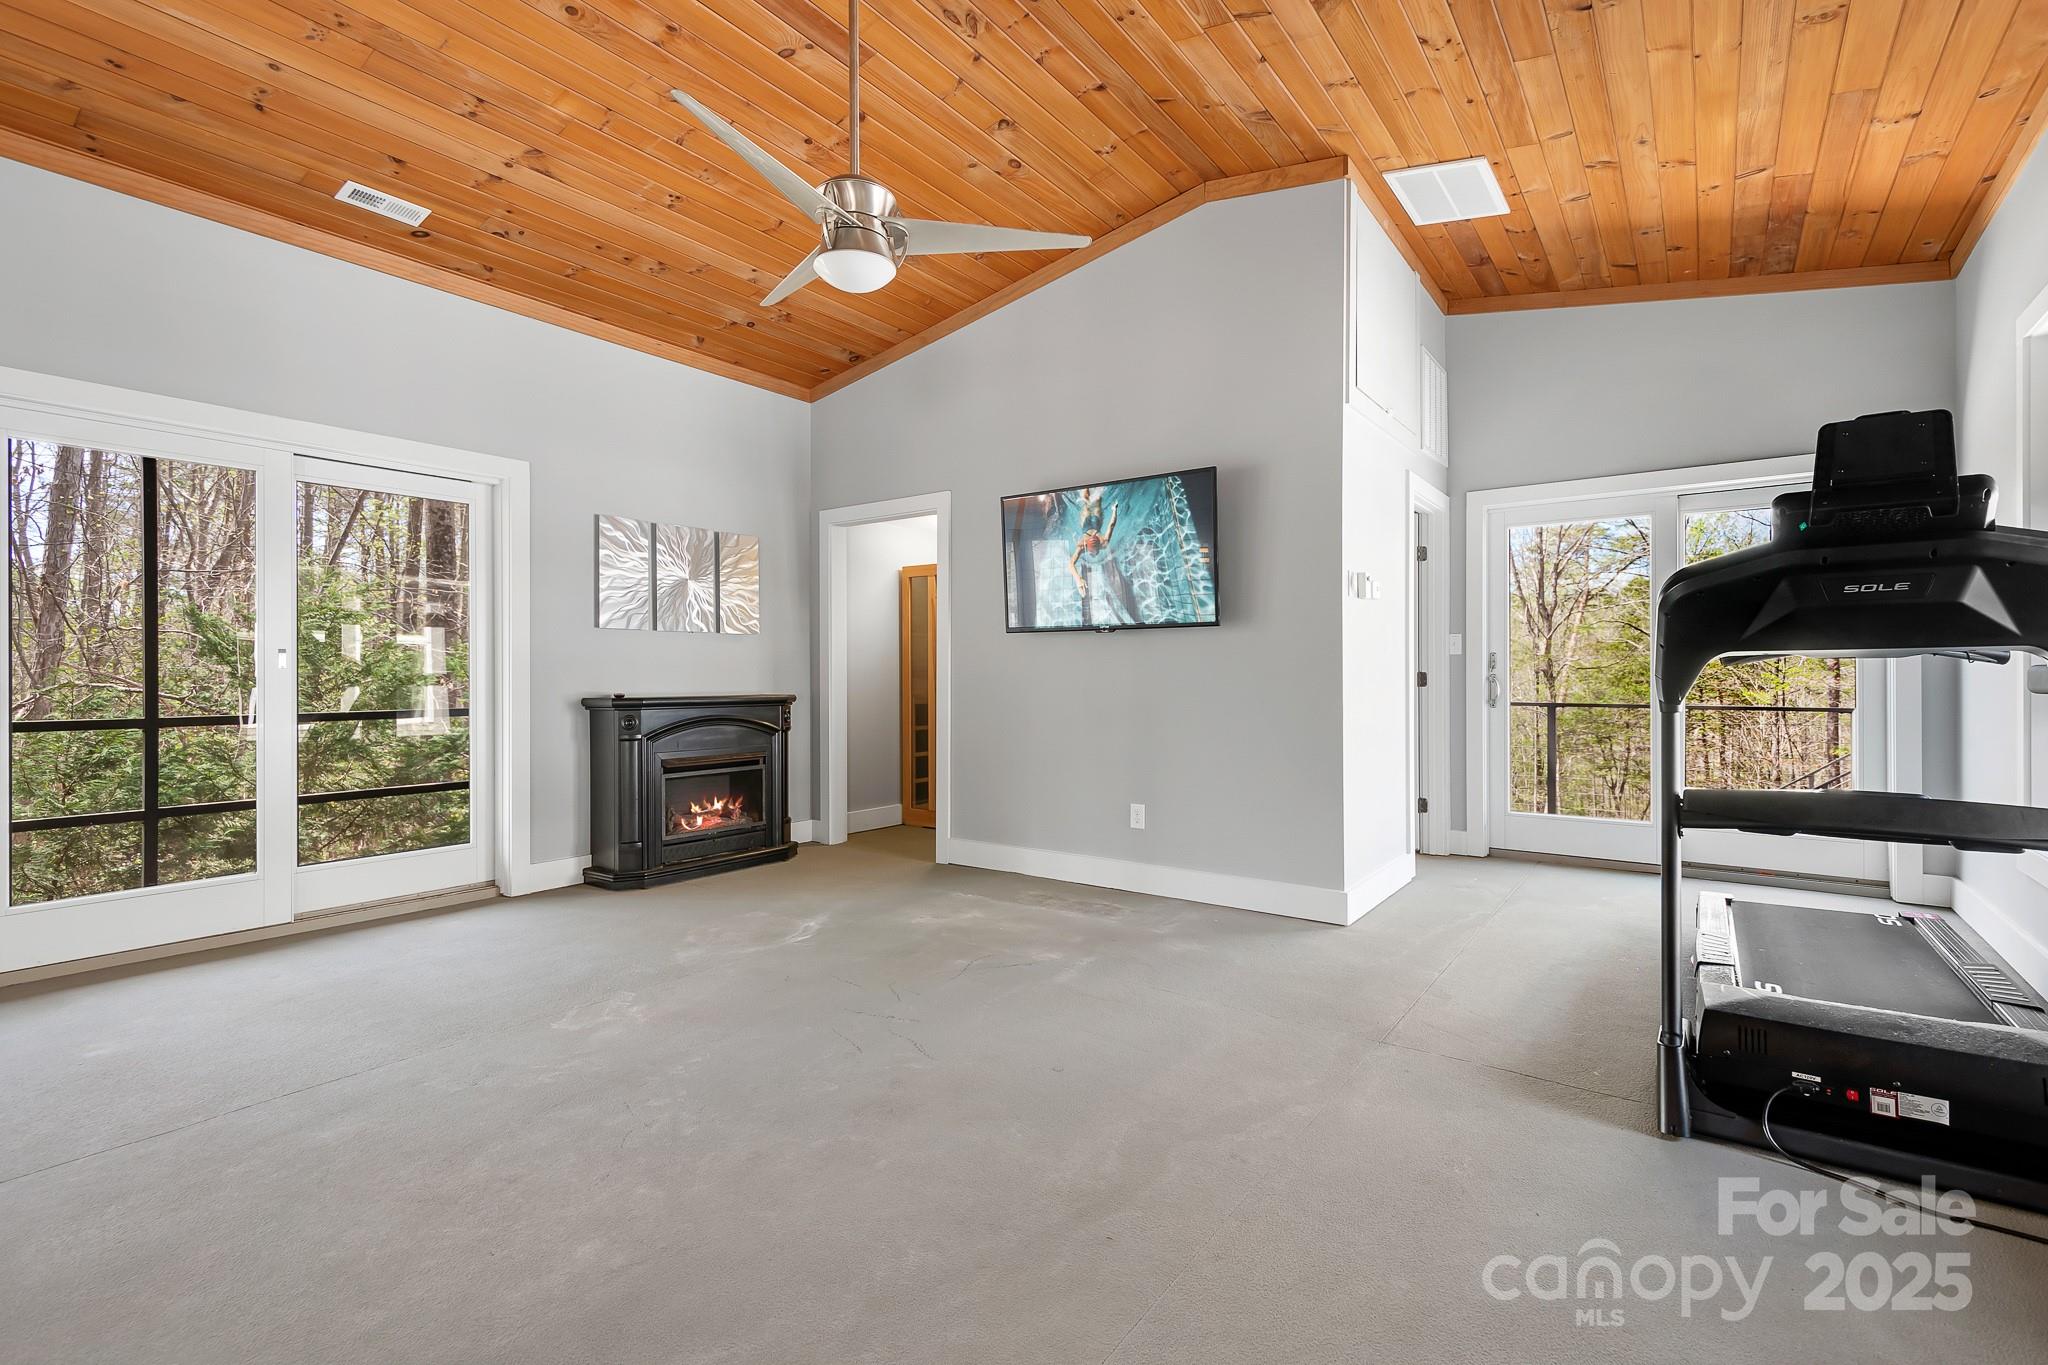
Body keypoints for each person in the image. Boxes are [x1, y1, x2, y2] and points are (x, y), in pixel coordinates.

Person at [1066, 486, 1140, 626]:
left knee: (1092, 499)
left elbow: (1111, 525)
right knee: (1090, 500)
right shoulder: (1094, 544)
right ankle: (1089, 487)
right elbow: (1111, 525)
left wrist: (1114, 510)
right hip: (1090, 522)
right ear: (1095, 550)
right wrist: (1078, 579)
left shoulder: (1090, 544)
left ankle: (1089, 487)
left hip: (1092, 522)